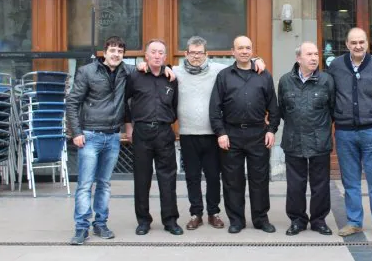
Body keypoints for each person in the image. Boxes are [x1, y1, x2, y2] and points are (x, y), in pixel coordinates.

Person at [66, 36, 174, 245]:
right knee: (85, 184)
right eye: (112, 50)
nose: (116, 54)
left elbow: (153, 68)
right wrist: (76, 132)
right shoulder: (87, 72)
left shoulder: (128, 72)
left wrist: (168, 67)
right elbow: (72, 102)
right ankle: (81, 228)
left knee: (104, 184)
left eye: (120, 51)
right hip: (89, 135)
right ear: (104, 52)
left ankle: (100, 224)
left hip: (113, 136)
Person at [173, 36, 265, 231]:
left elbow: (241, 62)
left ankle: (213, 212)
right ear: (186, 53)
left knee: (214, 176)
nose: (196, 56)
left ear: (207, 54)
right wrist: (145, 66)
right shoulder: (175, 72)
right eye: (192, 52)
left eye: (200, 53)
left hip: (213, 134)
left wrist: (257, 60)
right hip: (188, 134)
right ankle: (195, 213)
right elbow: (154, 69)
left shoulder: (217, 70)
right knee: (192, 177)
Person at [327, 27, 372, 241]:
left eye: (361, 42)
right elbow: (329, 96)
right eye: (353, 42)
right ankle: (354, 222)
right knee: (350, 182)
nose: (358, 46)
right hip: (346, 133)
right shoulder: (336, 66)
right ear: (347, 44)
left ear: (367, 44)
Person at [209, 36, 280, 234]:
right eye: (240, 48)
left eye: (248, 48)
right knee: (233, 181)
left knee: (259, 179)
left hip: (258, 133)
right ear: (233, 51)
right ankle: (236, 220)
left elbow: (273, 107)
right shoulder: (223, 76)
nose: (244, 51)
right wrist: (220, 133)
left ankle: (260, 219)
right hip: (231, 134)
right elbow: (215, 108)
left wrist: (272, 130)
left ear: (252, 51)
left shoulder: (263, 75)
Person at [125, 39, 182, 236]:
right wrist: (129, 127)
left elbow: (175, 106)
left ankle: (170, 220)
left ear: (165, 57)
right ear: (146, 56)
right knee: (142, 179)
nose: (157, 55)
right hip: (141, 132)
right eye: (153, 52)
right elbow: (126, 102)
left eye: (161, 53)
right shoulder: (135, 76)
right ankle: (143, 221)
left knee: (168, 178)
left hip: (164, 132)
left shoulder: (171, 78)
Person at [278, 42, 335, 236]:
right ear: (298, 58)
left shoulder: (327, 80)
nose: (313, 58)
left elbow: (333, 110)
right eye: (309, 54)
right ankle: (297, 220)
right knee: (295, 185)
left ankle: (319, 220)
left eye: (316, 54)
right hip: (294, 140)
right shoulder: (285, 81)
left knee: (320, 185)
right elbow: (283, 110)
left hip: (320, 141)